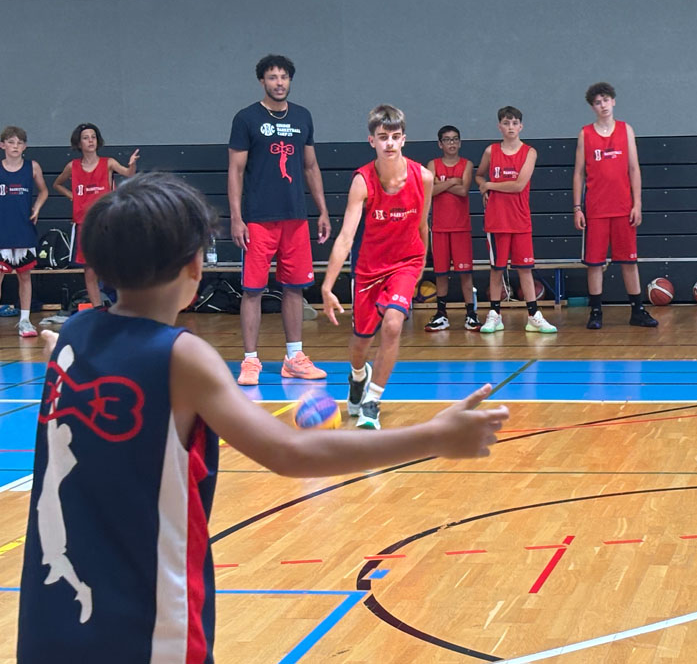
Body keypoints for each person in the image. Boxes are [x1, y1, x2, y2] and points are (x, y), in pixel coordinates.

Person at [16, 171, 507, 664]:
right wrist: (432, 437)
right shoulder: (182, 357)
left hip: (48, 616)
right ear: (195, 266)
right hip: (145, 624)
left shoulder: (74, 335)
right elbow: (290, 452)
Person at [321, 105, 433, 430]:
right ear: (372, 140)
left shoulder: (424, 178)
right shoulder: (362, 181)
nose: (390, 143)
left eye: (395, 137)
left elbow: (423, 226)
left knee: (394, 325)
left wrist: (421, 264)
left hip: (406, 262)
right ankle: (358, 376)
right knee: (360, 344)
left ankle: (372, 400)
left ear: (404, 139)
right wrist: (327, 286)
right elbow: (345, 237)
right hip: (370, 268)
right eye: (383, 137)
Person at [228, 54, 331, 386]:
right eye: (272, 77)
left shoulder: (302, 116)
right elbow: (236, 171)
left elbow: (310, 166)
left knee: (294, 288)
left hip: (295, 218)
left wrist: (322, 210)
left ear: (290, 80)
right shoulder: (246, 118)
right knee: (253, 290)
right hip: (258, 219)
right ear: (262, 81)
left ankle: (294, 358)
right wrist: (236, 218)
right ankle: (250, 360)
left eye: (284, 77)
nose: (279, 82)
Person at [572, 82, 657, 329]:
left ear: (613, 101)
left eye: (606, 100)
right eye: (598, 102)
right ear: (593, 107)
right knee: (595, 263)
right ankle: (596, 312)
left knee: (629, 261)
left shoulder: (625, 130)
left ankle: (637, 310)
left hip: (623, 207)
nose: (603, 105)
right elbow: (578, 173)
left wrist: (637, 203)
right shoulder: (585, 134)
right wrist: (577, 207)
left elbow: (634, 169)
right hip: (596, 209)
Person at [475, 106, 557, 334]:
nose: (510, 127)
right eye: (506, 123)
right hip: (496, 220)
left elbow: (519, 185)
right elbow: (479, 175)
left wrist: (490, 185)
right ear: (499, 126)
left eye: (514, 123)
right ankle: (494, 315)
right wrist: (483, 187)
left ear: (521, 126)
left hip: (520, 219)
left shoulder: (530, 152)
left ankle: (533, 316)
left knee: (525, 269)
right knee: (496, 270)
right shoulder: (491, 151)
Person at [52, 123, 138, 307]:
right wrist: (73, 197)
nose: (90, 140)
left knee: (115, 265)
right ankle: (98, 309)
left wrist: (132, 165)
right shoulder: (72, 166)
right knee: (89, 269)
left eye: (93, 137)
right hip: (84, 223)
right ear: (79, 143)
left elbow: (129, 173)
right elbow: (57, 184)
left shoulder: (108, 162)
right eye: (86, 137)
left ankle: (124, 306)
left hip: (107, 221)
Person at [425, 125, 480, 331]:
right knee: (440, 273)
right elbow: (429, 191)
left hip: (461, 227)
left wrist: (442, 184)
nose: (452, 143)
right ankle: (441, 314)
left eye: (455, 139)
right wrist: (452, 182)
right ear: (440, 144)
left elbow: (464, 190)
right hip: (439, 227)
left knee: (465, 273)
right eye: (447, 140)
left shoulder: (467, 164)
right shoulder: (433, 164)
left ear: (460, 142)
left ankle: (471, 314)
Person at [0, 126, 49, 337]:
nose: (15, 146)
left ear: (25, 147)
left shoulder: (32, 167)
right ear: (2, 145)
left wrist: (37, 207)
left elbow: (44, 191)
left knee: (25, 276)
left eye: (19, 143)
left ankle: (25, 320)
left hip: (23, 229)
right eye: (11, 142)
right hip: (2, 230)